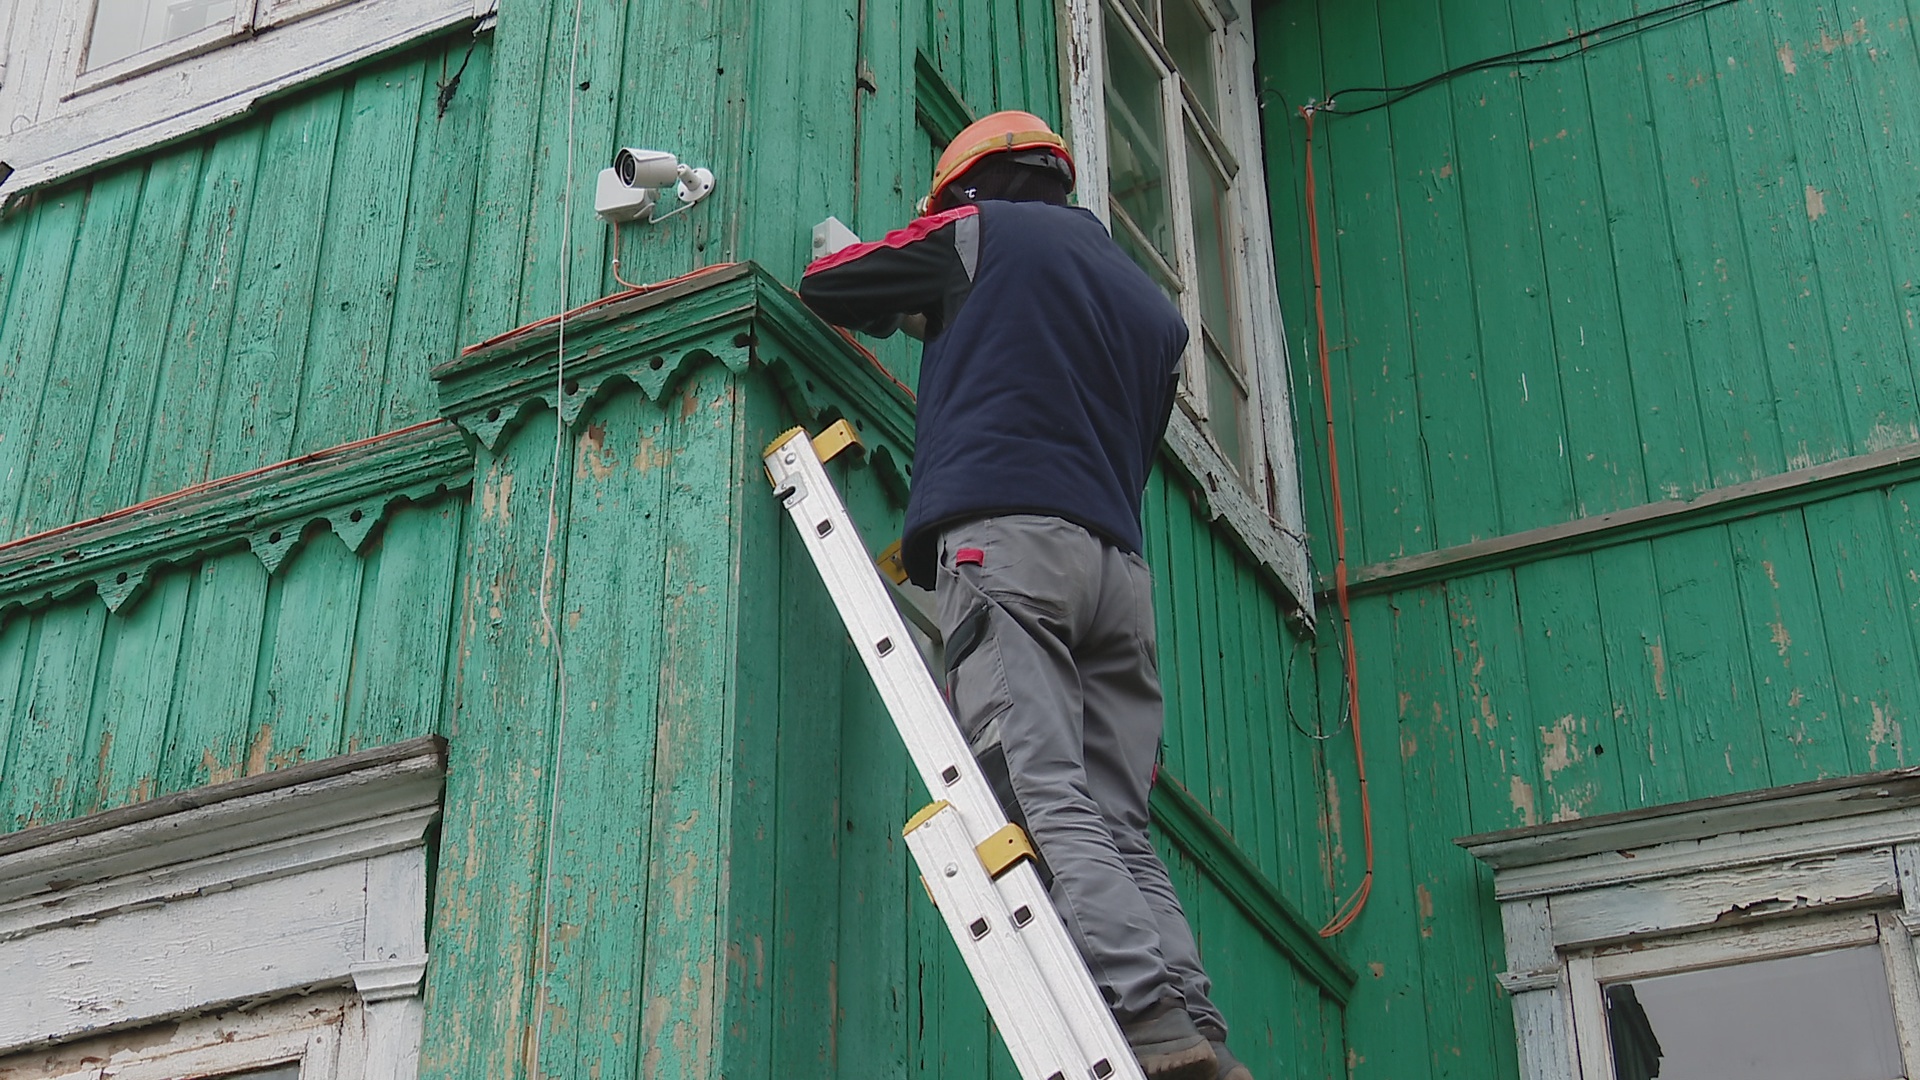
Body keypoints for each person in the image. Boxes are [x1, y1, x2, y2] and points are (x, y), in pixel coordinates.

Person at [799, 111, 1251, 1080]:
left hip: (1008, 546)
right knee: (1115, 819)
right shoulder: (1151, 309)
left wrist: (891, 285)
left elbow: (834, 284)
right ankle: (1195, 1030)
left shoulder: (976, 231)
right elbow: (1058, 370)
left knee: (1039, 792)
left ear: (970, 186)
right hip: (1116, 575)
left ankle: (1138, 1010)